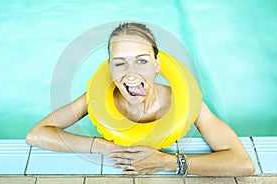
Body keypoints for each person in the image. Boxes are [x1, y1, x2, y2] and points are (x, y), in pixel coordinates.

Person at [25, 22, 255, 176]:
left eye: (142, 61)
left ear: (158, 65)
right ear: (109, 68)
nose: (131, 73)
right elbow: (36, 134)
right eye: (120, 62)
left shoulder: (182, 103)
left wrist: (169, 163)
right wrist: (101, 147)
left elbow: (243, 163)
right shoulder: (97, 101)